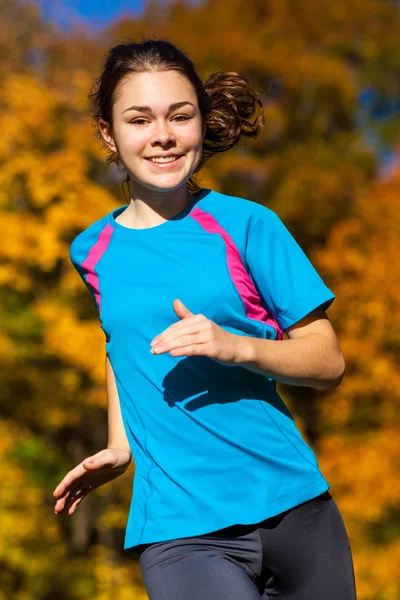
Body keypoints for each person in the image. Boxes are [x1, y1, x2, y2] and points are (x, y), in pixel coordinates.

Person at [53, 39, 357, 599]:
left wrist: (235, 345)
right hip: (179, 527)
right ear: (107, 132)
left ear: (199, 122)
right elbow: (123, 345)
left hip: (296, 510)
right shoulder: (91, 250)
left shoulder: (248, 225)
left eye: (179, 116)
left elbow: (328, 360)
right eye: (139, 119)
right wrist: (121, 445)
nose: (162, 135)